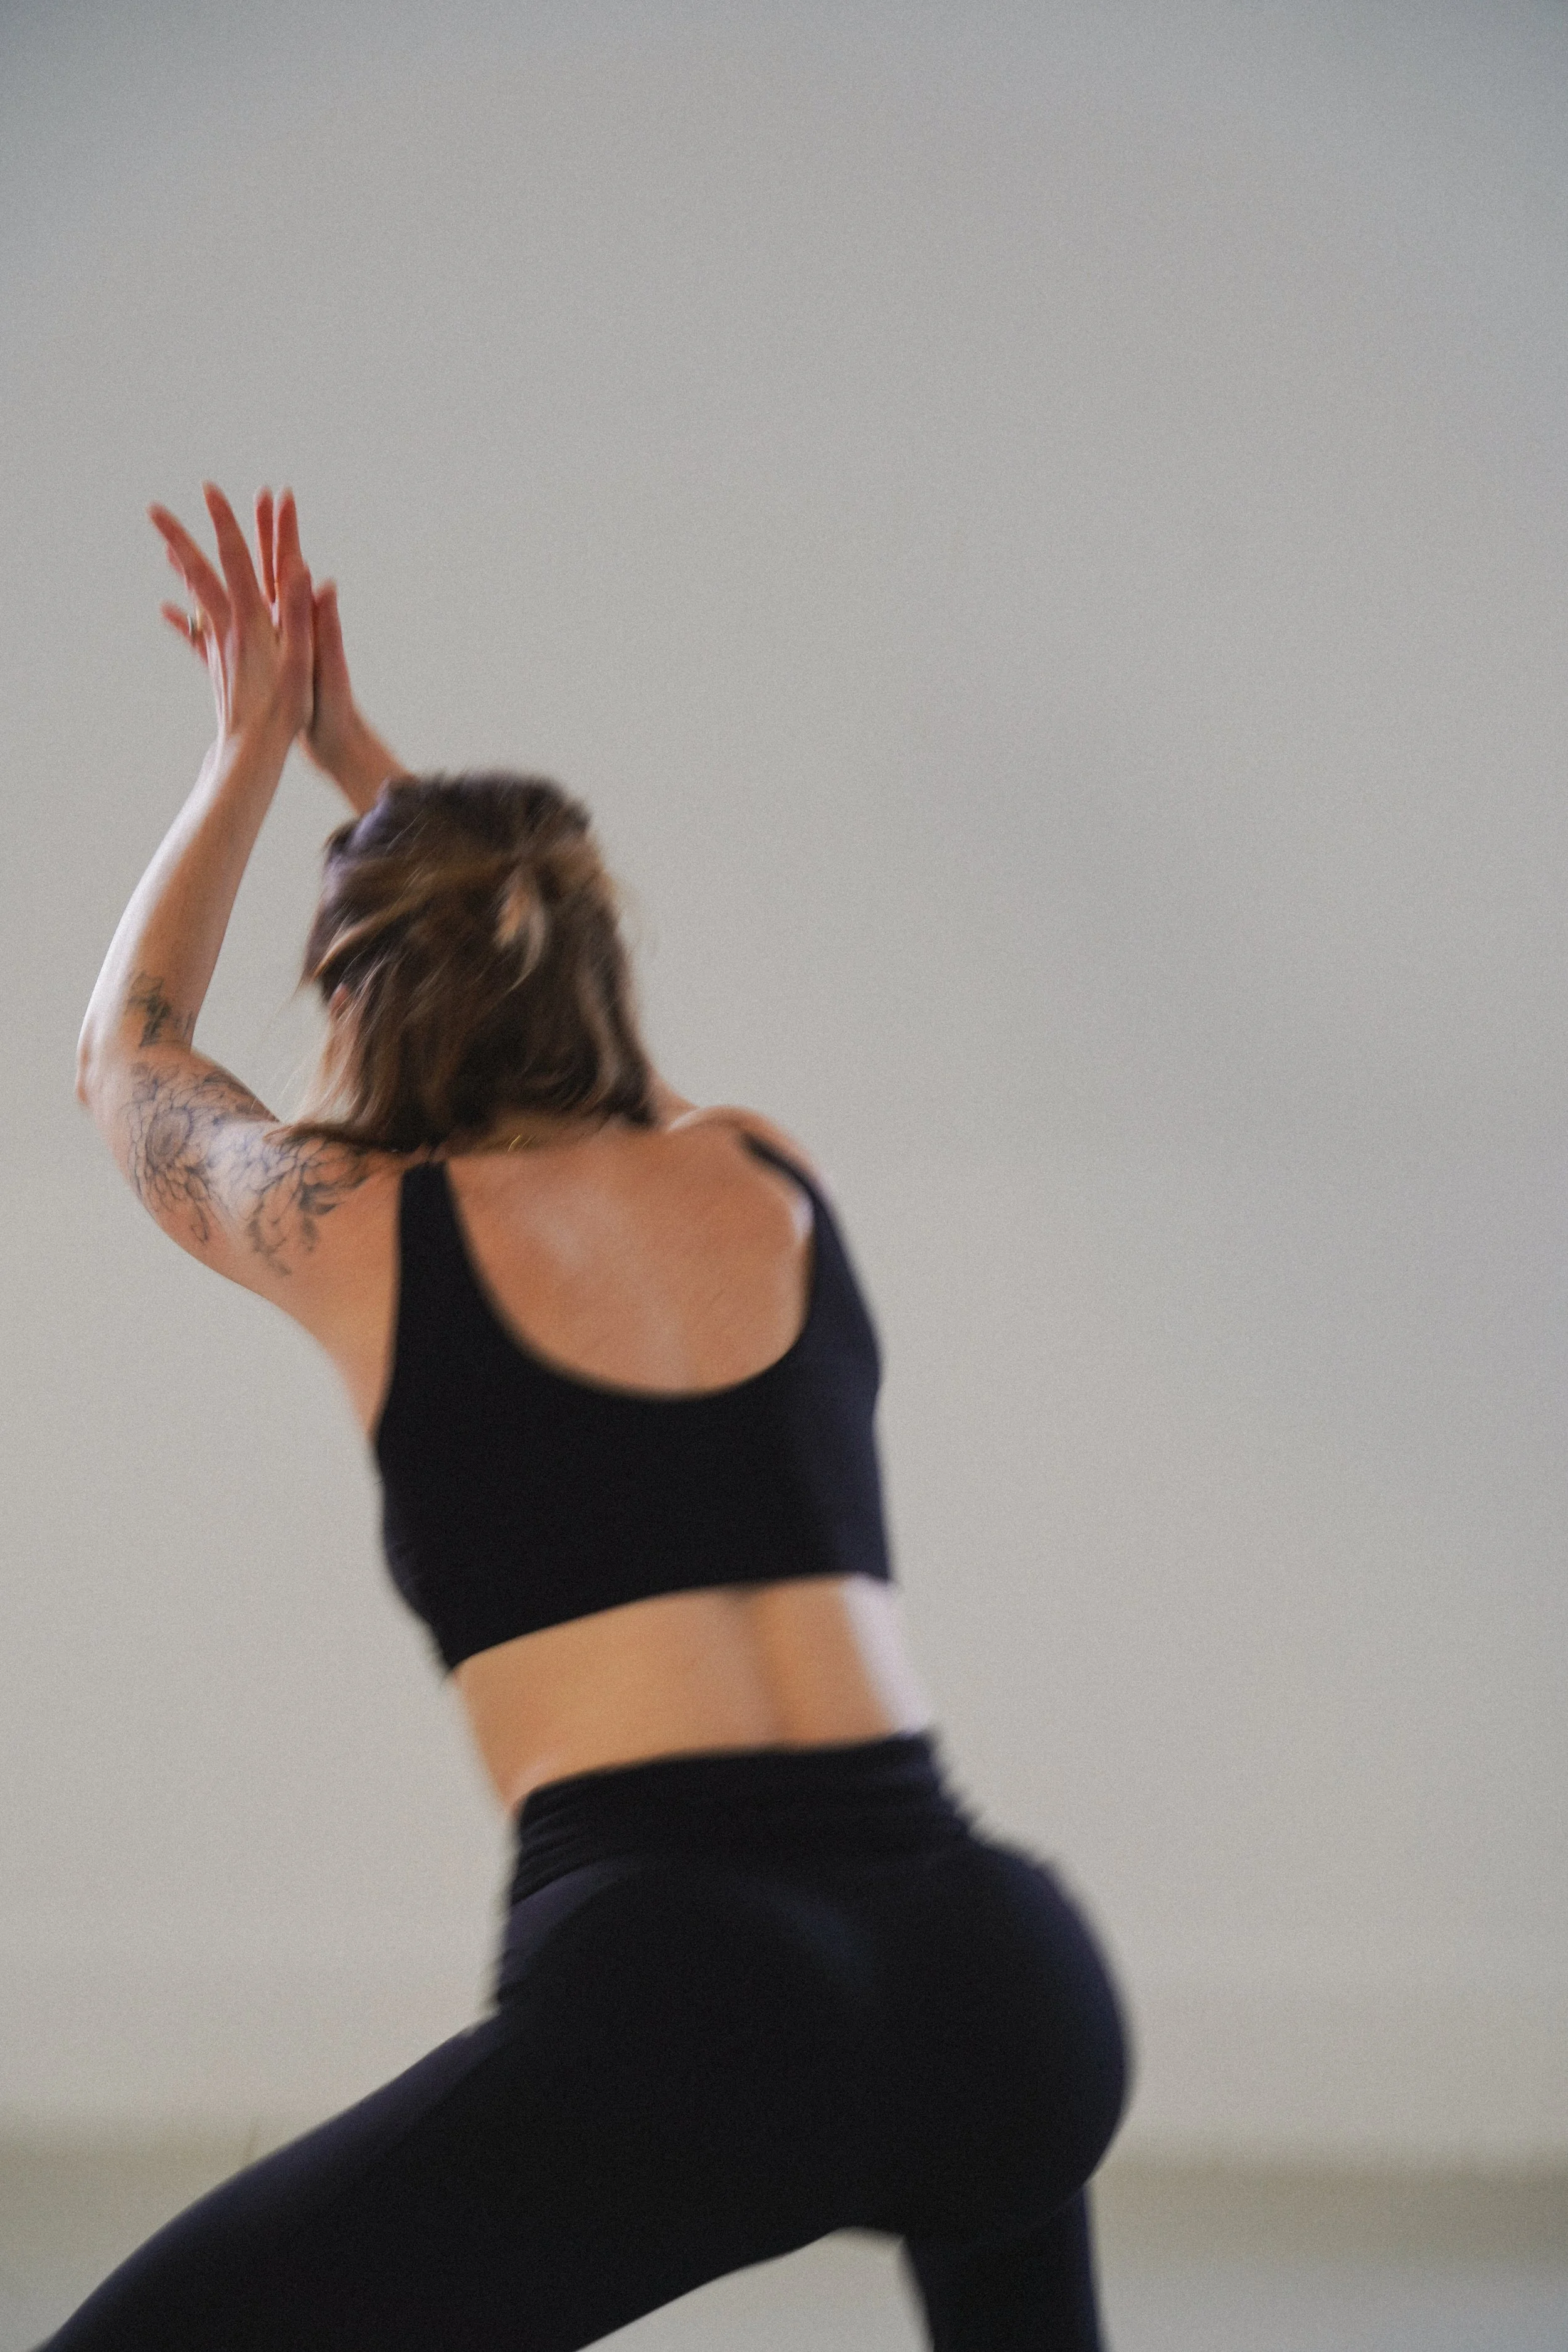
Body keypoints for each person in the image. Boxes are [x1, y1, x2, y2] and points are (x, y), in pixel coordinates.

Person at [49, 482, 1130, 2351]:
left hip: (697, 2010)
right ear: (587, 953)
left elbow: (124, 1054)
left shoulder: (362, 1226)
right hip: (1002, 1983)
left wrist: (245, 753)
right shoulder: (755, 1171)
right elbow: (533, 962)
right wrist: (374, 774)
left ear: (354, 989)